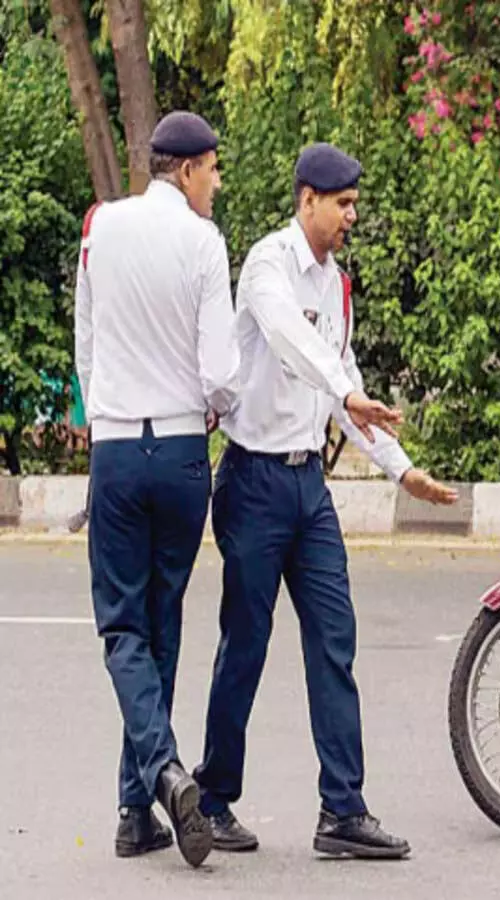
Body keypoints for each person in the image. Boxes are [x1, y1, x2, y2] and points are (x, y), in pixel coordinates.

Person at [191, 143, 459, 859]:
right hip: (251, 483)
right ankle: (212, 799)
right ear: (307, 199)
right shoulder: (268, 263)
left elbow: (346, 384)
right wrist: (342, 389)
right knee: (244, 646)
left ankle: (343, 810)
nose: (351, 216)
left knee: (335, 643)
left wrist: (402, 473)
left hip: (309, 490)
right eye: (342, 204)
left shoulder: (336, 283)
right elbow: (288, 343)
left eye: (354, 204)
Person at [75, 110, 239, 868]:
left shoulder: (101, 226)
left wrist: (105, 407)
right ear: (185, 168)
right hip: (178, 448)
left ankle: (153, 781)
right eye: (212, 169)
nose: (217, 182)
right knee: (160, 621)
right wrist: (216, 410)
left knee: (121, 628)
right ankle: (137, 805)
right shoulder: (203, 243)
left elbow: (86, 341)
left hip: (115, 445)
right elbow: (219, 374)